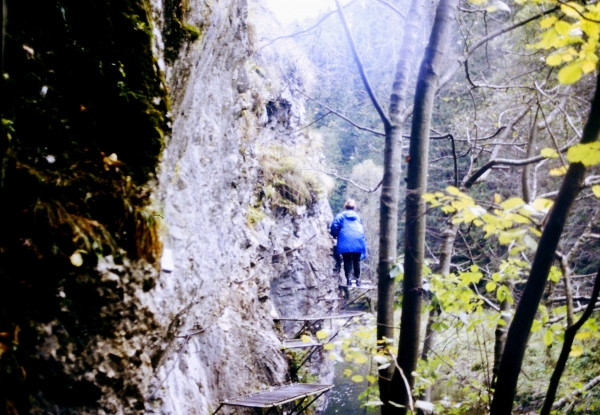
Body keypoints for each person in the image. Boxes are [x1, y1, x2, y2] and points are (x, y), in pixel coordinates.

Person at [330, 199, 366, 287]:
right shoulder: (358, 217)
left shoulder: (341, 216)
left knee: (347, 260)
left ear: (345, 206)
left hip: (345, 241)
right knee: (356, 260)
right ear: (354, 207)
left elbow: (334, 225)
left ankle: (349, 279)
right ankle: (357, 279)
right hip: (358, 240)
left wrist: (334, 234)